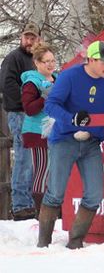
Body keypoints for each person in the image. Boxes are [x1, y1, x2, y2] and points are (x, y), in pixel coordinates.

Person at [37, 41, 104, 249]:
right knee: (56, 193)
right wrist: (72, 119)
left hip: (92, 142)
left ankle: (75, 241)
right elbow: (50, 105)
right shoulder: (69, 76)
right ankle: (43, 242)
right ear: (91, 60)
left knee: (94, 194)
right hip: (64, 140)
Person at [0, 22, 40, 220]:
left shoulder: (38, 60)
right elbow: (7, 84)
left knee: (34, 159)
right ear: (21, 38)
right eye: (27, 37)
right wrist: (27, 103)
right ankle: (20, 205)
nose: (30, 41)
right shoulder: (13, 58)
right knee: (23, 158)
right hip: (19, 113)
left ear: (39, 39)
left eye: (33, 38)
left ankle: (30, 202)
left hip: (35, 115)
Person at [20, 42, 57, 217]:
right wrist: (45, 98)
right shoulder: (32, 82)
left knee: (55, 170)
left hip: (56, 130)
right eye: (46, 61)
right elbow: (29, 108)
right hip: (37, 132)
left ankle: (54, 209)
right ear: (37, 63)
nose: (50, 64)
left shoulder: (56, 78)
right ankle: (41, 212)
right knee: (42, 169)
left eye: (52, 60)